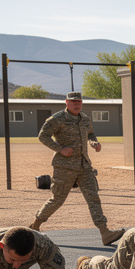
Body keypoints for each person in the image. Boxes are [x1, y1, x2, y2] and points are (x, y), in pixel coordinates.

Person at [30, 92, 125, 245]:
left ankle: (105, 232)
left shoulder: (85, 119)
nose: (77, 104)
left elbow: (91, 134)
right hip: (64, 167)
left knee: (93, 198)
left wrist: (94, 142)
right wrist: (60, 149)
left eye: (79, 102)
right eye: (73, 102)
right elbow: (43, 136)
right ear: (66, 103)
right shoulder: (57, 119)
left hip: (84, 166)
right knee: (57, 200)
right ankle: (35, 225)